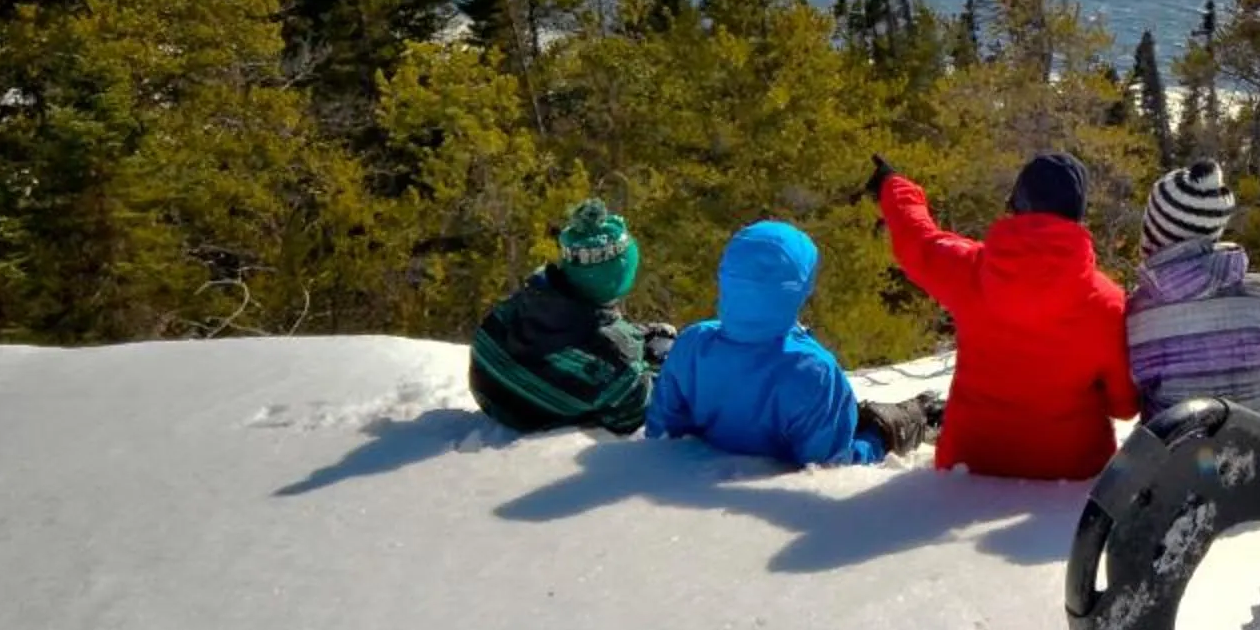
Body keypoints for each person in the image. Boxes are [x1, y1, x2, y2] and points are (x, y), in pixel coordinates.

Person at [867, 150, 1136, 480]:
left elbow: (918, 240)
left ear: (1016, 204)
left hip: (970, 467)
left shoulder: (970, 270)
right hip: (1070, 479)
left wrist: (893, 185)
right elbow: (1124, 407)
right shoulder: (1107, 303)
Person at [646, 219, 942, 466]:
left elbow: (662, 434)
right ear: (800, 289)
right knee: (887, 424)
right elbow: (829, 467)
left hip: (698, 483)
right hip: (789, 484)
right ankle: (912, 421)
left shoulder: (693, 343)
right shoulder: (812, 370)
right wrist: (876, 440)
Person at [1122, 159, 1260, 434]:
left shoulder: (1137, 314)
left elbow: (1130, 396)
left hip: (1174, 469)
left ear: (1154, 234)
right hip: (1256, 460)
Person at [470, 199, 671, 435]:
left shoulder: (531, 294)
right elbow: (631, 418)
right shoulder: (617, 356)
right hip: (533, 418)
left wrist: (634, 336)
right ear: (619, 278)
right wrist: (661, 367)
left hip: (489, 390)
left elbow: (570, 333)